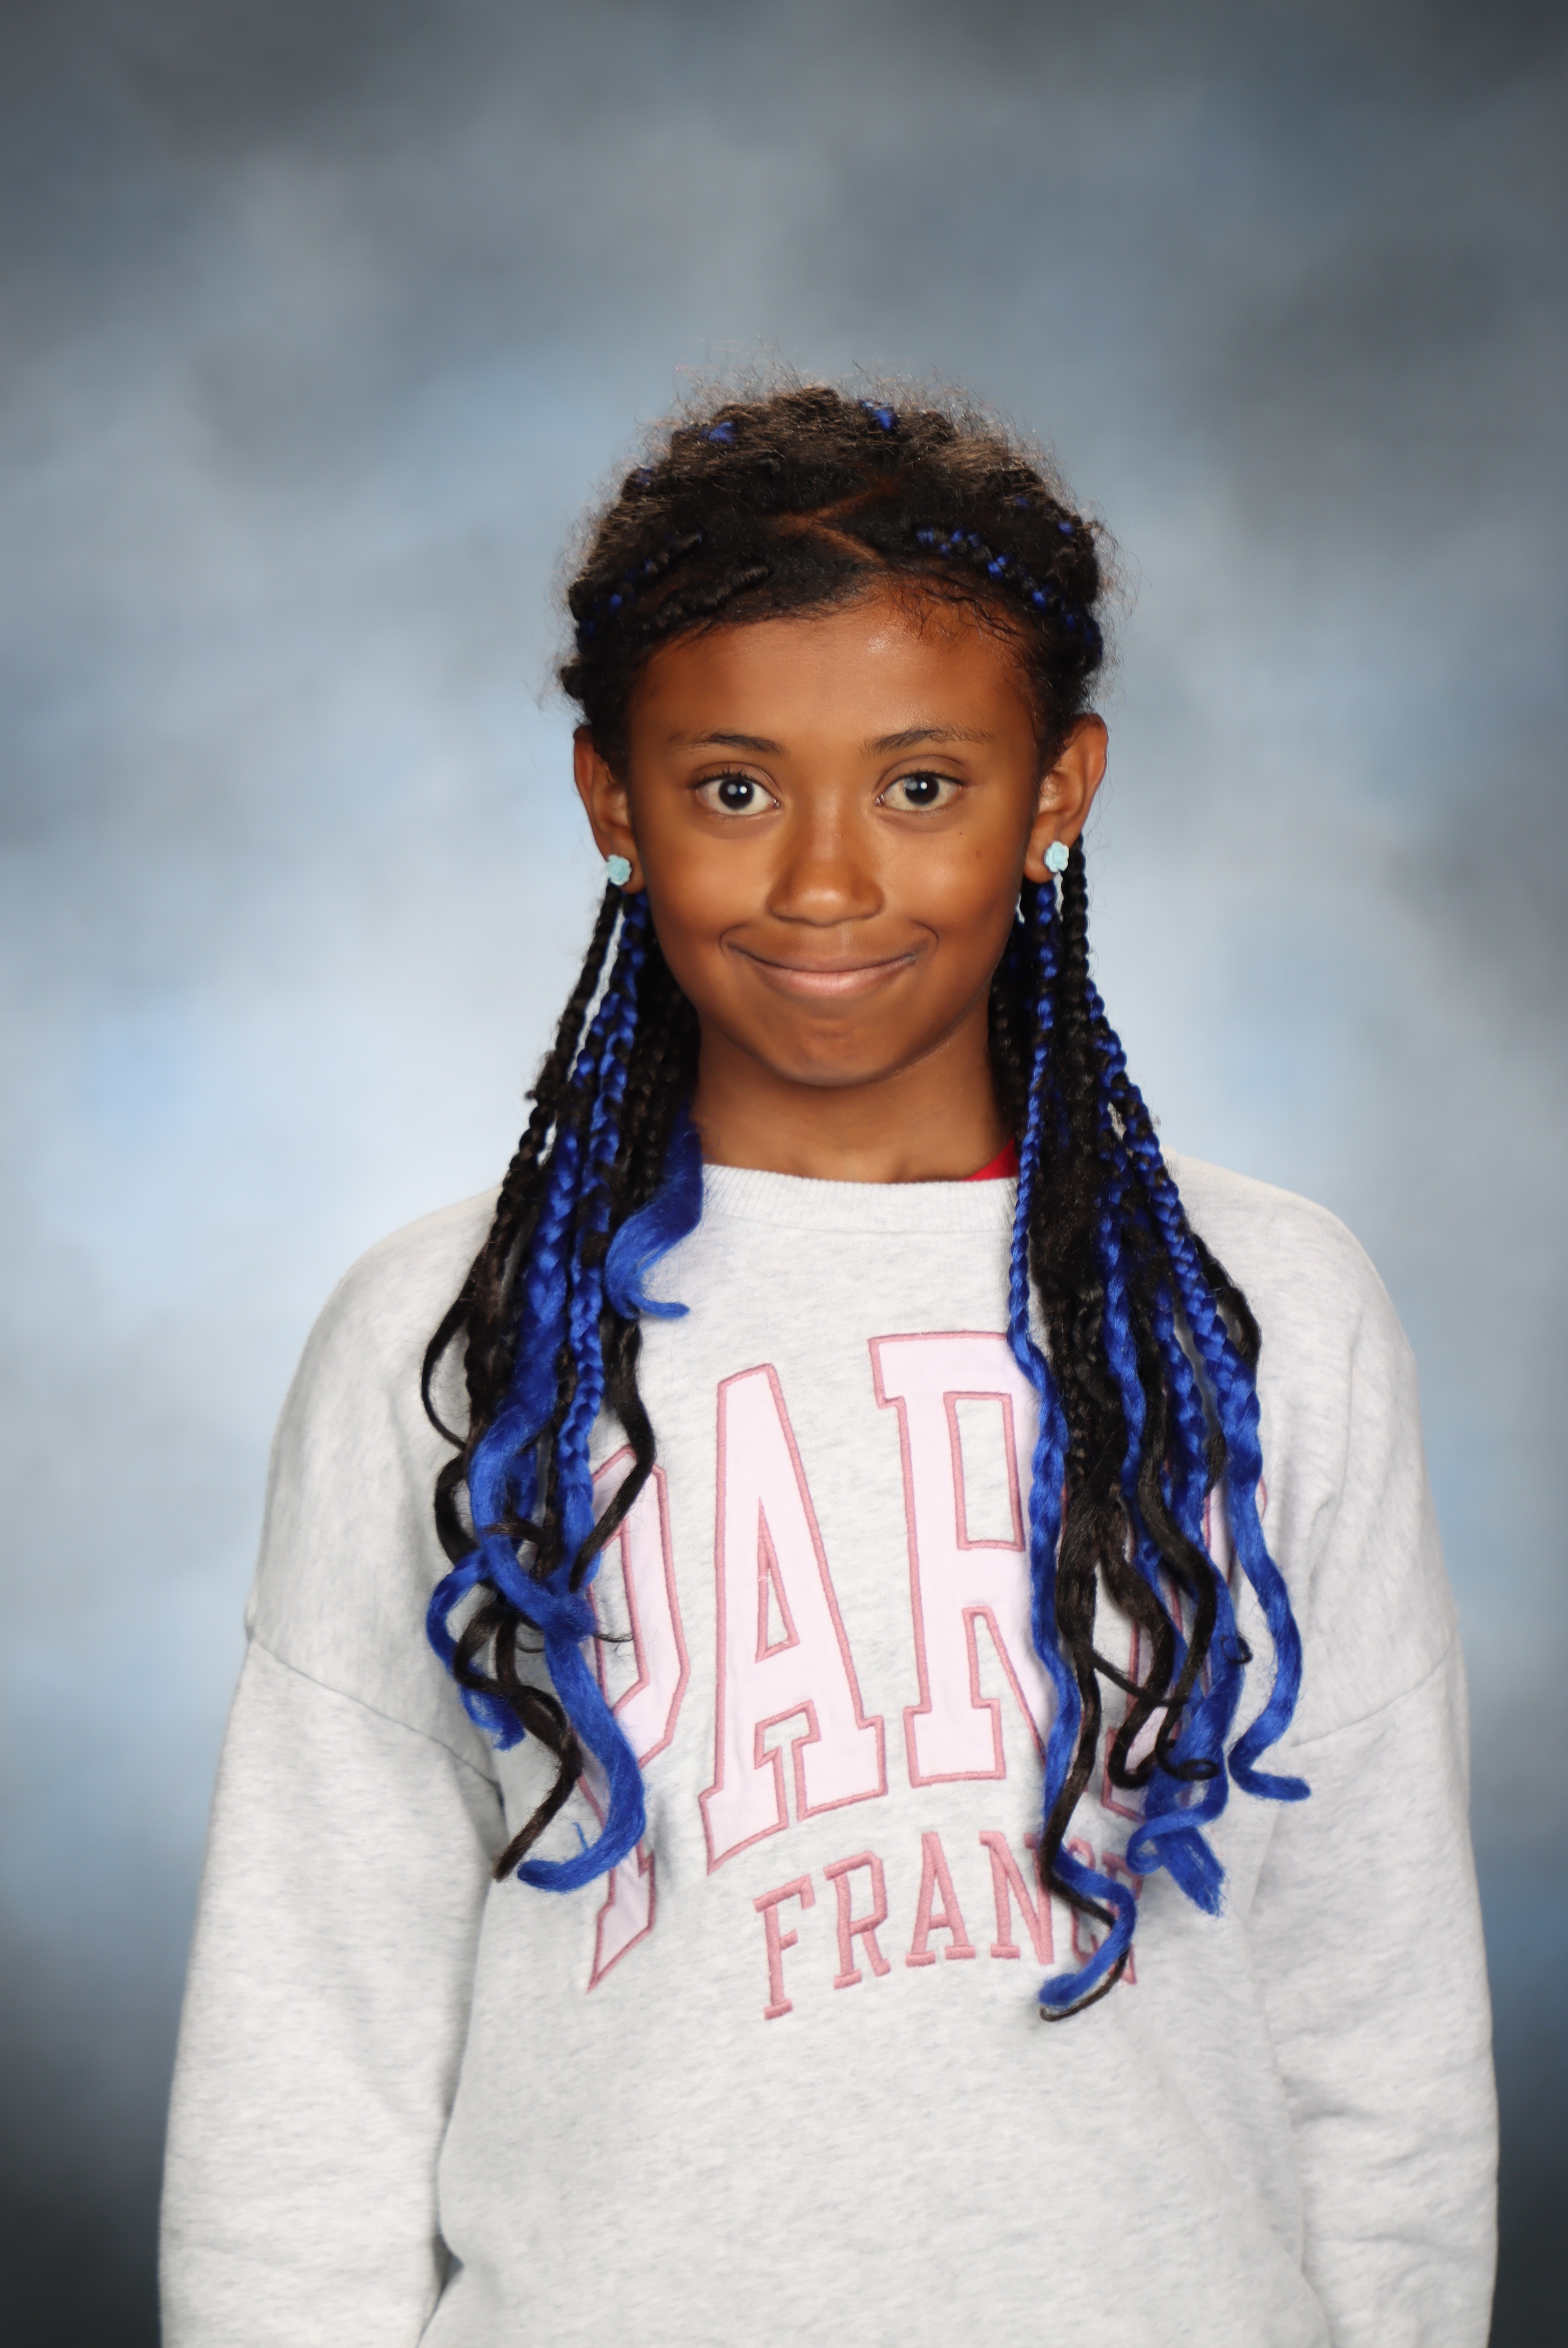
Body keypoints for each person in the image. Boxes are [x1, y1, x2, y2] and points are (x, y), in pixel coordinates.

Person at [160, 382, 1496, 2347]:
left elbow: (1375, 2023)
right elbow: (311, 2051)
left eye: (921, 785)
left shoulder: (1261, 1309)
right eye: (732, 788)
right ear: (613, 801)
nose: (823, 881)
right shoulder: (450, 1336)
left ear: (1058, 792)